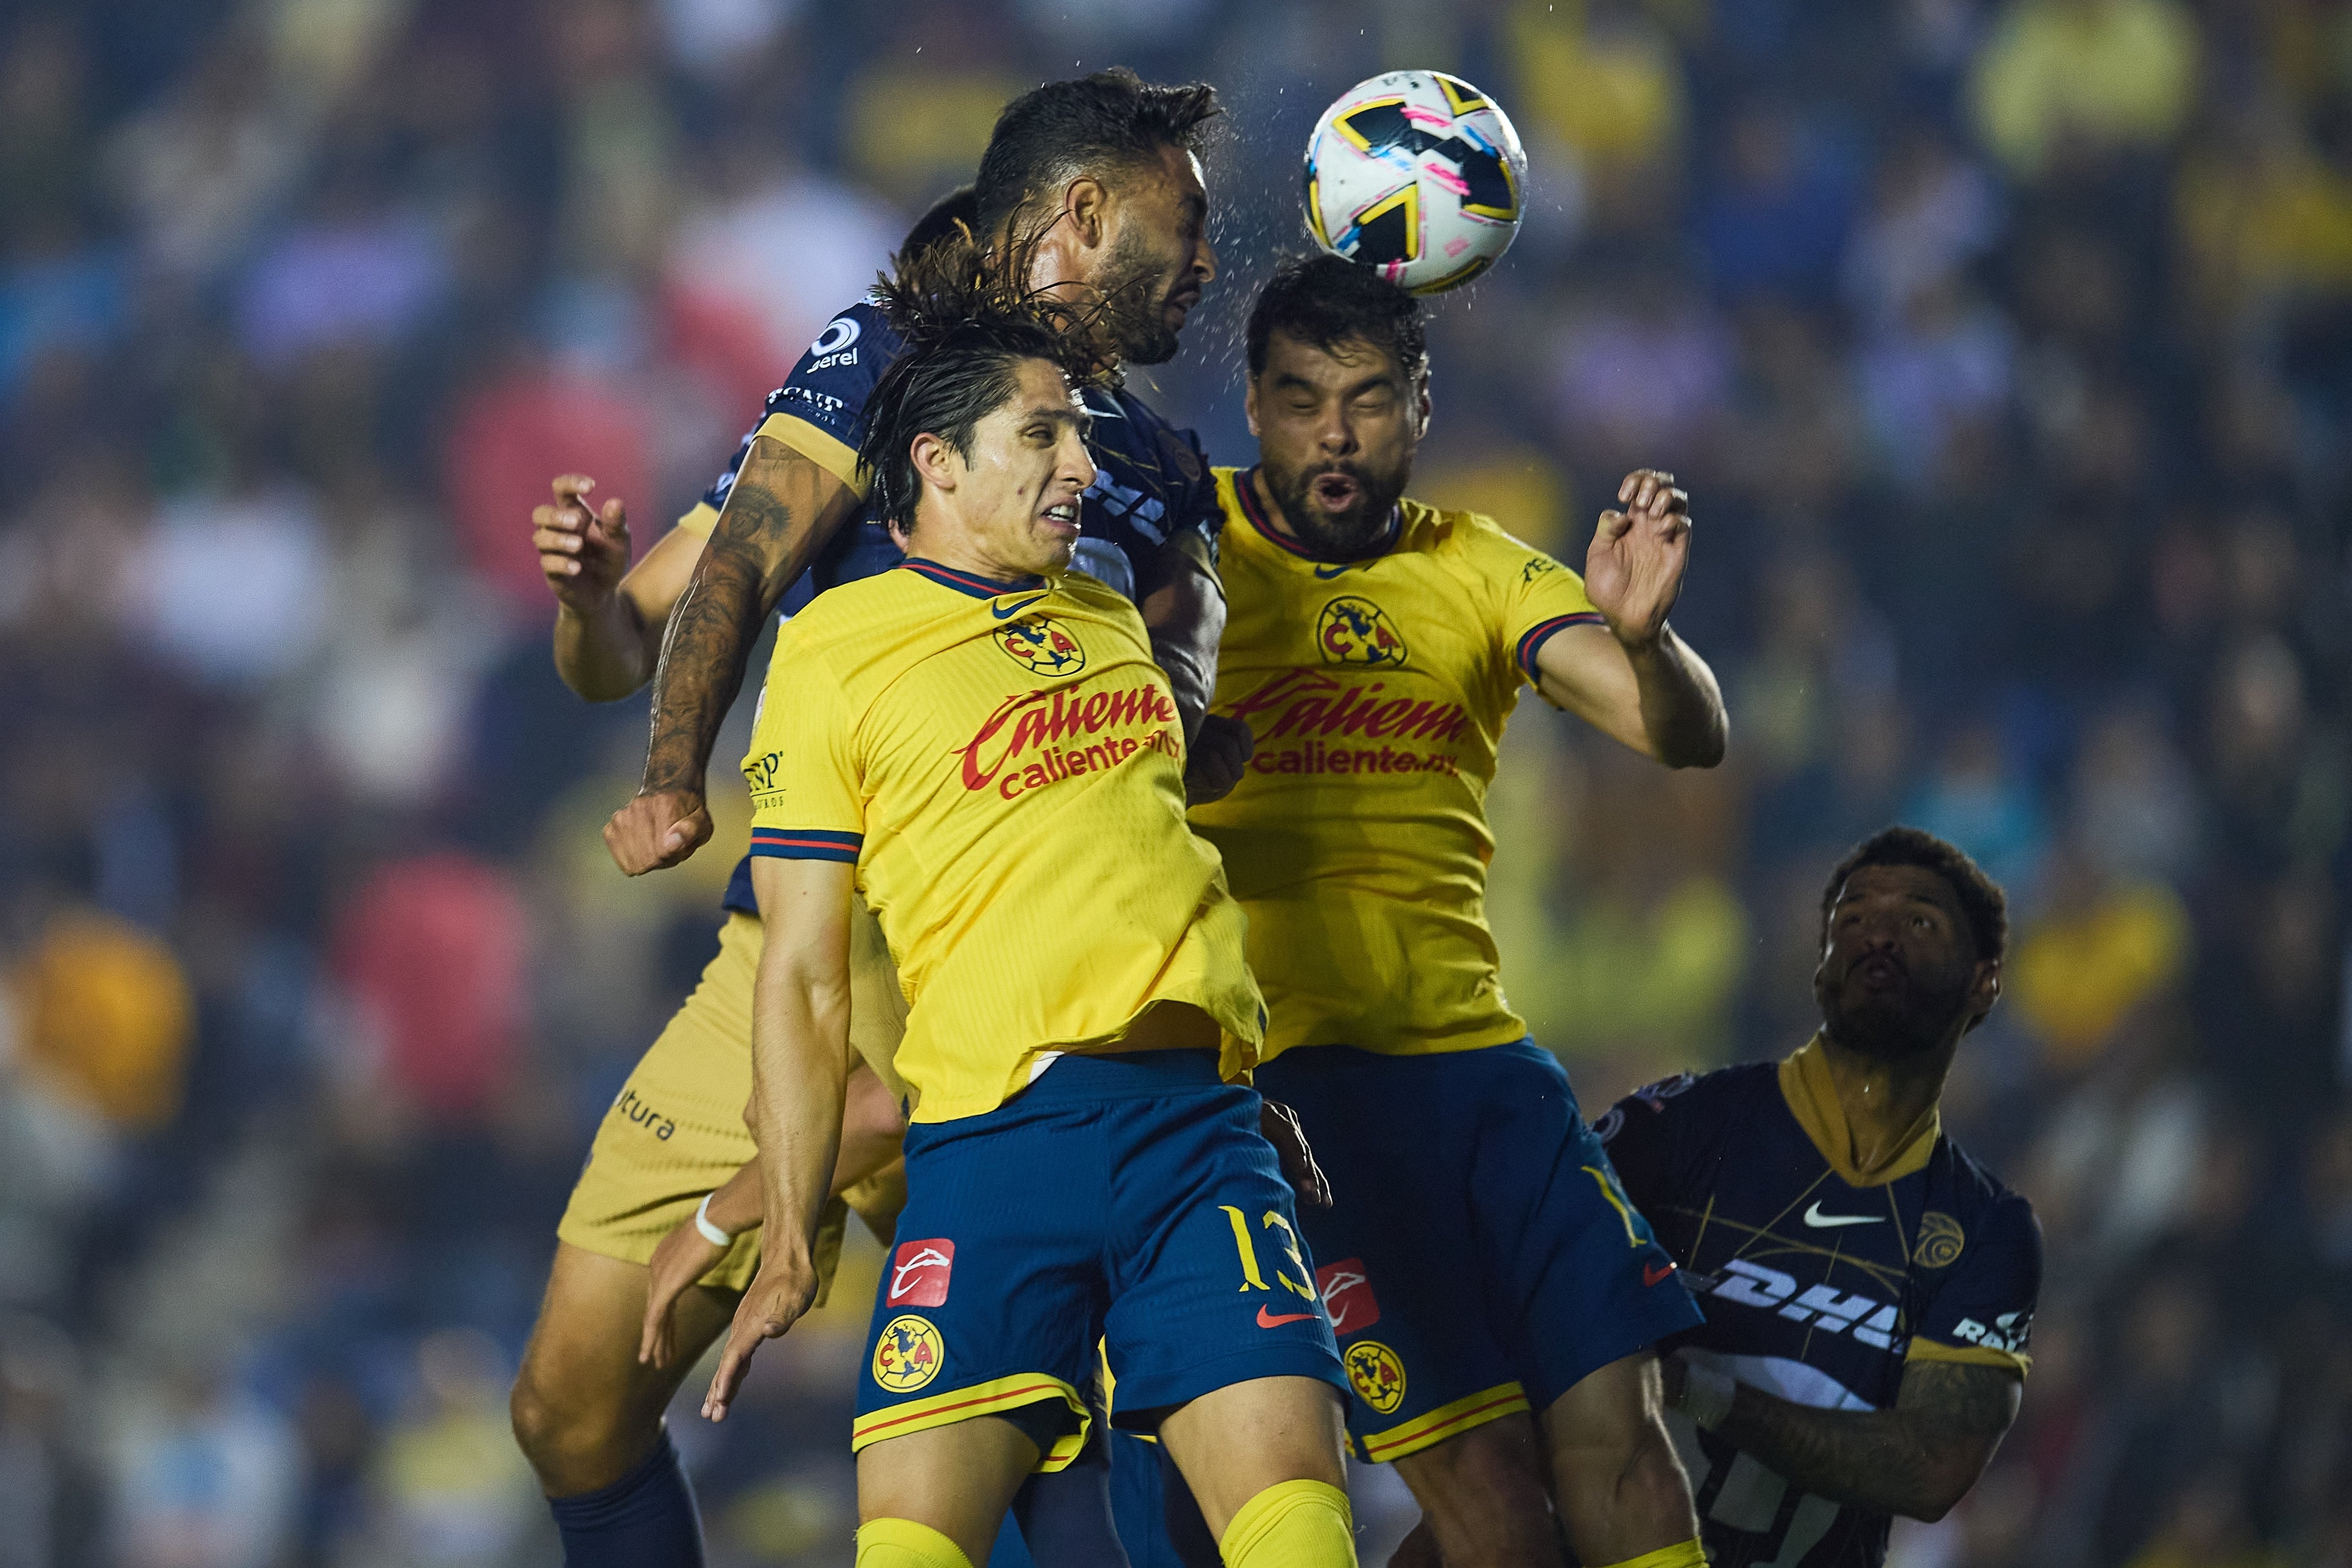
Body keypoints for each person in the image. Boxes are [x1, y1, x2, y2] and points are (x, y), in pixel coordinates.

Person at [513, 69, 1247, 1567]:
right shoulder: (886, 364)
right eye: (1184, 225)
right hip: (794, 938)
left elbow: (1191, 737)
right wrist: (605, 636)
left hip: (1012, 979)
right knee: (571, 1410)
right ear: (1083, 214)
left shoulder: (1159, 475)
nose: (1205, 266)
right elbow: (665, 617)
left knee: (1051, 1438)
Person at [709, 260, 1354, 1568]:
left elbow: (1132, 867)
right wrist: (785, 1223)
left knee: (1300, 1538)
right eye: (1043, 434)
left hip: (1199, 1141)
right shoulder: (835, 649)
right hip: (996, 1148)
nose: (1080, 464)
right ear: (936, 462)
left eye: (1081, 432)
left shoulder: (1113, 620)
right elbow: (803, 976)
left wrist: (1228, 1062)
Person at [1185, 254, 1726, 1568]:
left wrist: (1648, 641)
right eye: (1301, 397)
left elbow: (1684, 736)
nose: (1334, 433)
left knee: (1634, 1454)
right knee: (1489, 1500)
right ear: (1251, 404)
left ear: (1419, 408)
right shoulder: (1176, 545)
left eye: (1368, 399)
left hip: (1482, 1071)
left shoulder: (1478, 566)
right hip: (1295, 1091)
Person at [1596, 827, 2040, 1567]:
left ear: (1983, 982)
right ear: (1821, 966)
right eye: (1854, 918)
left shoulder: (1987, 1230)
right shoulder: (1676, 1129)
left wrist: (1706, 1393)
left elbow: (1931, 1467)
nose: (1880, 938)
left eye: (1919, 922)